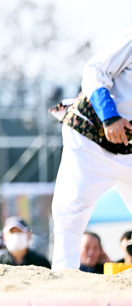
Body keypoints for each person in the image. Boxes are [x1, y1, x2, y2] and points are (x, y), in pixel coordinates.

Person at [50, 27, 132, 270]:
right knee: (70, 213)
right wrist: (109, 115)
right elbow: (94, 70)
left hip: (129, 148)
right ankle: (63, 283)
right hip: (91, 137)